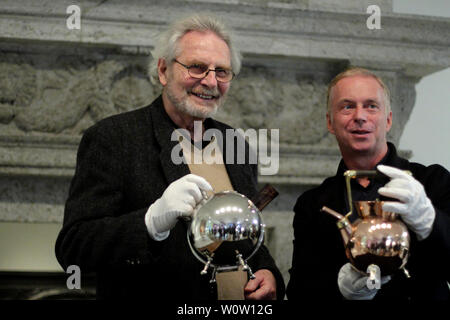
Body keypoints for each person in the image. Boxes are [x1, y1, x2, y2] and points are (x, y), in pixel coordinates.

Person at [55, 14, 285, 300]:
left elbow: (246, 234)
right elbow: (73, 250)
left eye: (222, 71)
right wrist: (151, 222)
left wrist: (267, 272)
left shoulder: (236, 143)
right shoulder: (114, 138)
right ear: (163, 70)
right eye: (197, 67)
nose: (211, 81)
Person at [287, 67, 450, 300]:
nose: (360, 116)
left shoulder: (434, 181)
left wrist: (430, 222)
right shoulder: (312, 204)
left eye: (371, 106)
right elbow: (299, 293)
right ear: (330, 123)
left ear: (389, 119)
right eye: (347, 106)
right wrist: (342, 289)